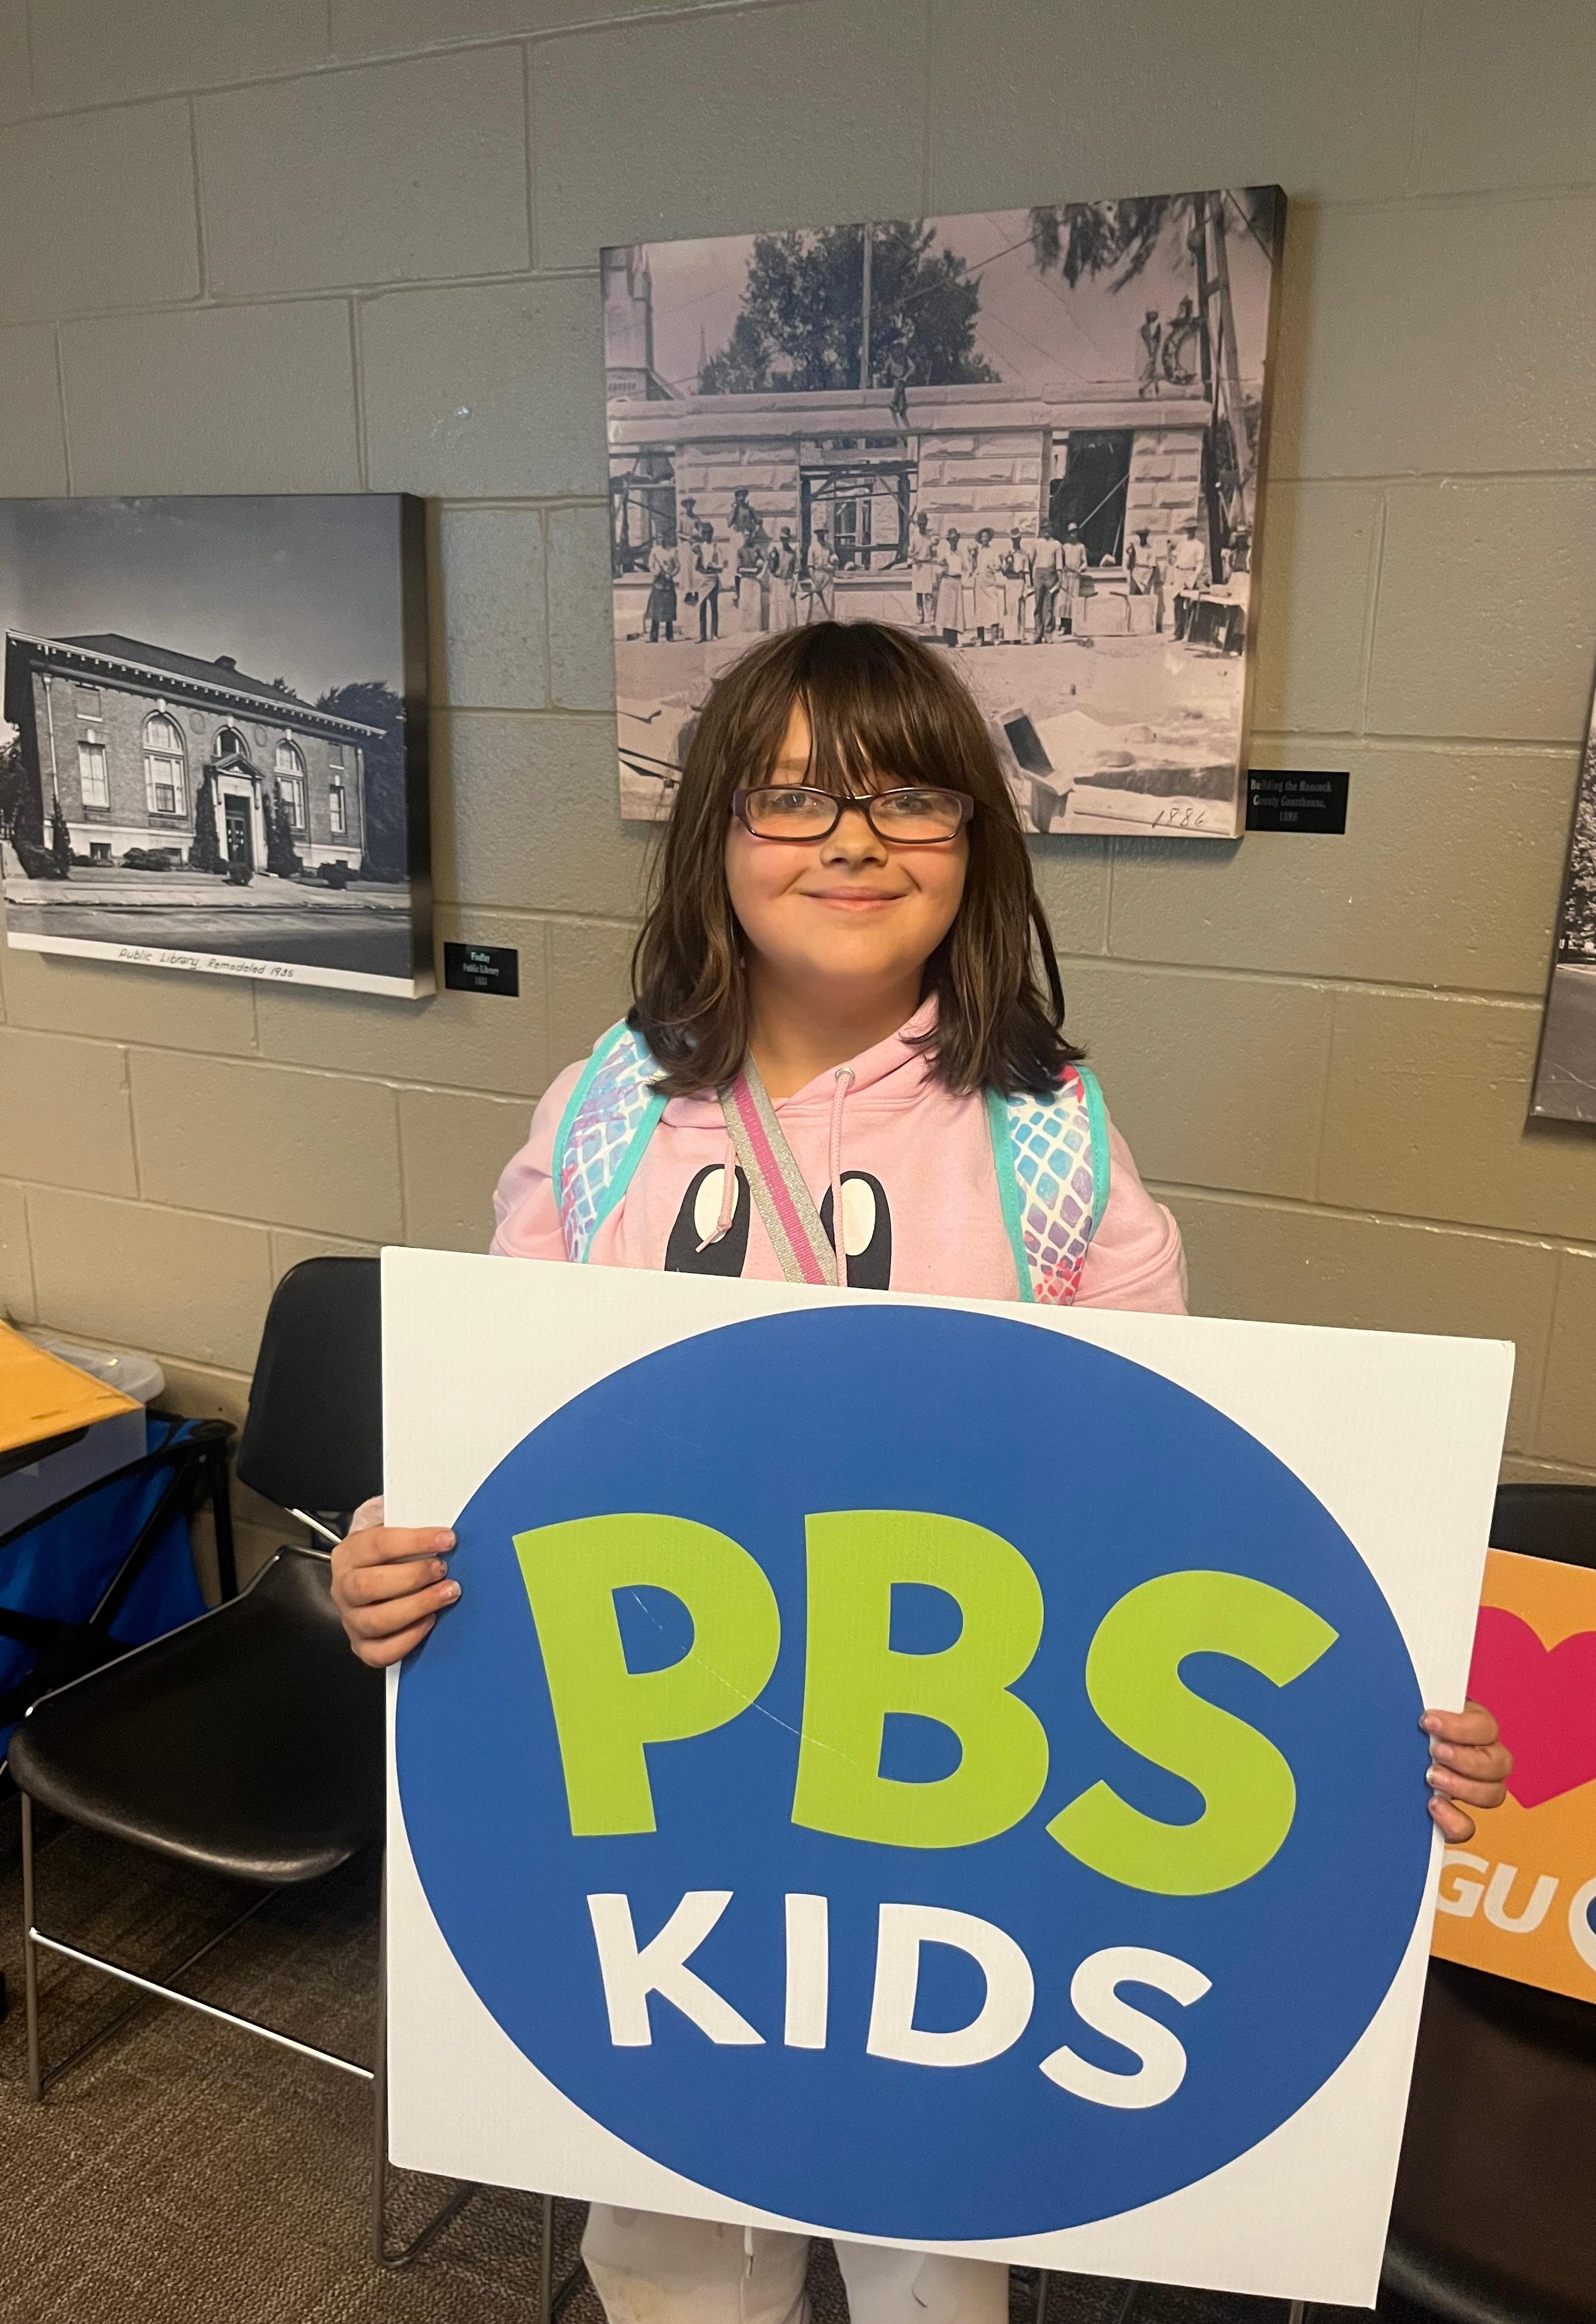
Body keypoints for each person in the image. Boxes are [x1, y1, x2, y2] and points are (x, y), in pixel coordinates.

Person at [334, 618, 1515, 2324]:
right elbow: (496, 1455)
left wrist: (1366, 1721)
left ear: (979, 842)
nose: (852, 840)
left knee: (935, 2270)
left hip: (964, 1829)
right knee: (674, 2257)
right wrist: (394, 1550)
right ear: (710, 840)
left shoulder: (1053, 1136)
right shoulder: (601, 1115)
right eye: (790, 796)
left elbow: (1178, 1515)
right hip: (671, 1799)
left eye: (906, 797)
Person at [1170, 516, 1208, 640]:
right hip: (1179, 575)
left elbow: (1200, 564)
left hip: (1190, 575)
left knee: (1190, 605)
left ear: (1195, 530)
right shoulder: (1182, 544)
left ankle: (1189, 632)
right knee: (1177, 604)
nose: (1189, 532)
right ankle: (1178, 633)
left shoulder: (1199, 546)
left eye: (1191, 530)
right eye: (1188, 530)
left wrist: (1194, 577)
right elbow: (1174, 559)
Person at [643, 526, 679, 644]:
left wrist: (672, 574)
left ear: (667, 538)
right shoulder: (655, 551)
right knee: (656, 610)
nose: (662, 540)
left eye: (664, 537)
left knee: (669, 609)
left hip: (668, 583)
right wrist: (656, 572)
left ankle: (670, 636)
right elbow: (650, 566)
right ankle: (654, 636)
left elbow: (678, 566)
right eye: (660, 537)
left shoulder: (673, 551)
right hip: (658, 582)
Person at [934, 526, 969, 646]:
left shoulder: (961, 555)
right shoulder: (945, 555)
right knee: (947, 611)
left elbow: (967, 569)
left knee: (956, 611)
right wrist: (942, 570)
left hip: (957, 583)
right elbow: (938, 569)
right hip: (947, 582)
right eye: (951, 539)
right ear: (948, 541)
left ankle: (954, 638)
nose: (953, 541)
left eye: (955, 539)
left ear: (958, 539)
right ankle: (948, 639)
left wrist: (963, 581)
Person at [1028, 521, 1062, 642]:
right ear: (1041, 530)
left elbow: (1059, 563)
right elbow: (1031, 561)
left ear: (1051, 528)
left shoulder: (1057, 544)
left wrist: (1060, 579)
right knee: (1038, 605)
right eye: (1044, 528)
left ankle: (1048, 634)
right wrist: (1031, 579)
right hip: (1039, 574)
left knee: (1049, 606)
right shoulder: (1036, 543)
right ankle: (1037, 634)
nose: (1046, 530)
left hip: (1051, 575)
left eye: (1048, 528)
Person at [970, 525, 1004, 645]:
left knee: (994, 609)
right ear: (980, 539)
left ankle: (995, 637)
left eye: (986, 537)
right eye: (982, 537)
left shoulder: (993, 551)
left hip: (990, 585)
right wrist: (972, 556)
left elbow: (998, 567)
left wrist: (994, 567)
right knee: (980, 611)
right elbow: (973, 568)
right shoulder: (978, 552)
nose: (985, 539)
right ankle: (980, 638)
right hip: (980, 585)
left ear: (989, 538)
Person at [1126, 526, 1163, 635]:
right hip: (1136, 573)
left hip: (1146, 575)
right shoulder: (1135, 548)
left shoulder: (1151, 549)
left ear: (1147, 537)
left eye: (1144, 536)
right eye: (1140, 536)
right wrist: (1130, 553)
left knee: (1145, 602)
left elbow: (1153, 566)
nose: (1142, 538)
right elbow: (1129, 565)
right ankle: (1132, 626)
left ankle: (1144, 626)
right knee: (1133, 599)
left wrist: (1149, 582)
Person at [765, 526, 801, 635]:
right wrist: (772, 558)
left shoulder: (793, 553)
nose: (784, 541)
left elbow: (796, 571)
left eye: (786, 539)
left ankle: (788, 633)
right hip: (777, 582)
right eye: (782, 538)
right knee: (776, 607)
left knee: (788, 609)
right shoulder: (776, 551)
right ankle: (777, 633)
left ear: (789, 539)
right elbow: (770, 567)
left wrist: (794, 588)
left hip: (788, 583)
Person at [908, 509, 940, 629]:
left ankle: (931, 617)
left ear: (926, 524)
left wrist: (934, 548)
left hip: (927, 566)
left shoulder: (929, 538)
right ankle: (920, 615)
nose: (922, 526)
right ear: (917, 524)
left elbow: (933, 554)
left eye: (924, 524)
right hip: (918, 567)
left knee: (928, 593)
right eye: (920, 524)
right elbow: (910, 552)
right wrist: (913, 556)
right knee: (919, 593)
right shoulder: (914, 537)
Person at [1001, 526, 1033, 644]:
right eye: (1013, 539)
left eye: (1017, 539)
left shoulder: (1024, 554)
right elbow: (1003, 572)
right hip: (1010, 582)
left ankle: (1020, 636)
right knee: (1010, 610)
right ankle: (1010, 637)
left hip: (1020, 582)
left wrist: (1027, 587)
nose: (1016, 541)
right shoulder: (1007, 554)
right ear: (1011, 540)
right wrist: (1006, 562)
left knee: (1021, 609)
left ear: (1020, 539)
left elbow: (1026, 572)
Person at [693, 520, 723, 643]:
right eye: (705, 533)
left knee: (714, 607)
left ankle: (714, 633)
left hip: (713, 579)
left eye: (710, 533)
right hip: (702, 580)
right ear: (702, 535)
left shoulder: (717, 547)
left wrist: (714, 566)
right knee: (702, 607)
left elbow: (724, 564)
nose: (708, 535)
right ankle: (702, 635)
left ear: (712, 533)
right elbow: (696, 566)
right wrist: (701, 566)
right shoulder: (700, 548)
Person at [1058, 521, 1088, 637]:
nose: (1073, 535)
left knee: (1074, 601)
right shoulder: (1064, 547)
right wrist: (1062, 569)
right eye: (1071, 533)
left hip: (1075, 577)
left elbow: (1085, 562)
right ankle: (1063, 626)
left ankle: (1073, 627)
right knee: (1063, 602)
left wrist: (1080, 570)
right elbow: (1060, 561)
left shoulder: (1081, 547)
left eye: (1074, 532)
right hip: (1066, 576)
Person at [803, 525, 838, 624]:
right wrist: (815, 582)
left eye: (823, 532)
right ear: (816, 534)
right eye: (819, 533)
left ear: (825, 533)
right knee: (817, 604)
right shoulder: (813, 547)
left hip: (828, 577)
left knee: (828, 603)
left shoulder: (829, 546)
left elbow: (835, 561)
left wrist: (834, 564)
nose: (821, 535)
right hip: (817, 576)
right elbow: (810, 566)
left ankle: (828, 626)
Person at [1137, 307, 1163, 398]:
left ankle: (1153, 390)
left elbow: (1157, 341)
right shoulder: (1145, 328)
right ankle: (1146, 389)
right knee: (1150, 373)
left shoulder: (1158, 327)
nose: (1152, 316)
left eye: (1154, 314)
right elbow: (1147, 341)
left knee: (1153, 374)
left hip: (1153, 355)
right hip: (1150, 355)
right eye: (1151, 314)